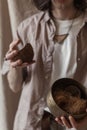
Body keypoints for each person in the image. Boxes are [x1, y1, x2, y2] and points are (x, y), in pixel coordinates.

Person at [3, 0, 87, 130]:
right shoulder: (28, 27)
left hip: (76, 122)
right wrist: (14, 65)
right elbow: (14, 86)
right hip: (31, 122)